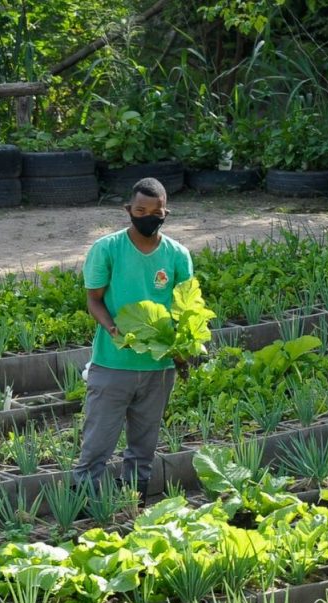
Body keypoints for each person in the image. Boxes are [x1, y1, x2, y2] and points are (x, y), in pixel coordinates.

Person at [72, 177, 193, 503]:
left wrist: (182, 354)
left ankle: (132, 503)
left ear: (165, 212)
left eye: (156, 211)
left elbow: (185, 308)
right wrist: (113, 330)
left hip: (158, 367)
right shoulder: (107, 249)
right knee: (97, 444)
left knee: (143, 445)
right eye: (141, 210)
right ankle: (84, 508)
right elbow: (94, 300)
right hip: (113, 364)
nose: (149, 216)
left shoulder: (178, 255)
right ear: (129, 210)